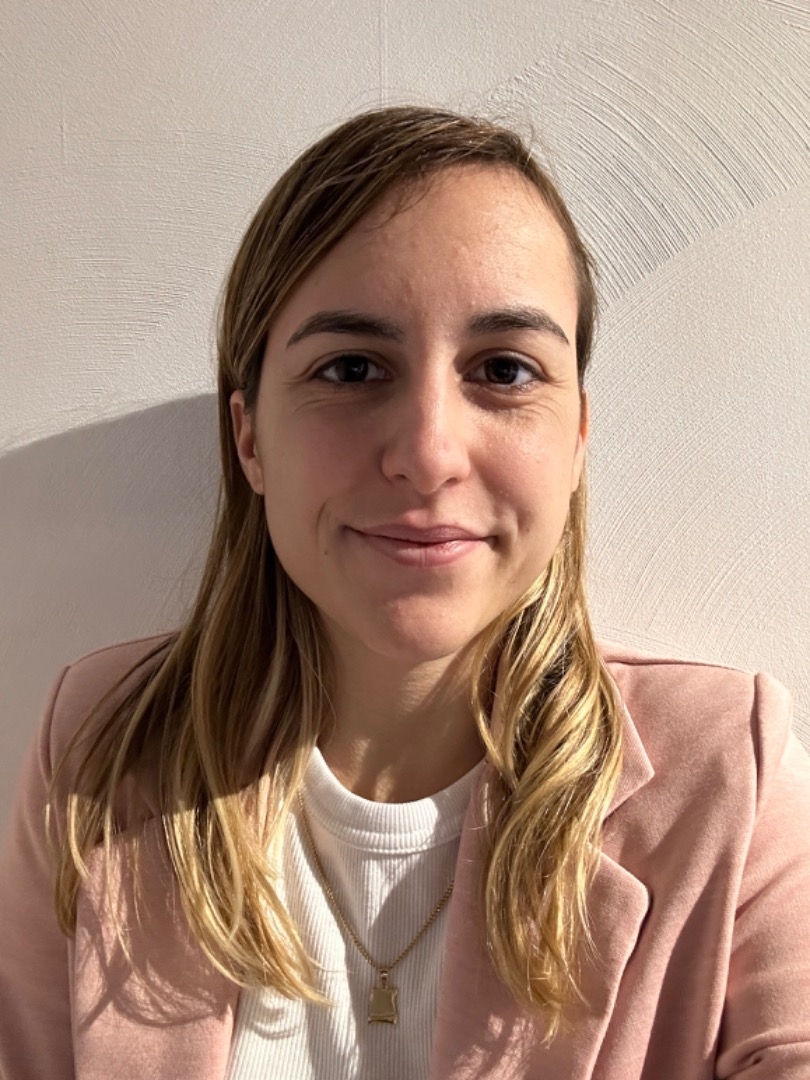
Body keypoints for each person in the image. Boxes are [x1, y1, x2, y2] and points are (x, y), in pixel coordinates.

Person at [1, 105, 809, 1080]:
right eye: (351, 369)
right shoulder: (99, 751)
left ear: (576, 439)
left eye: (504, 370)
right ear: (250, 438)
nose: (428, 454)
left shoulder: (727, 773)